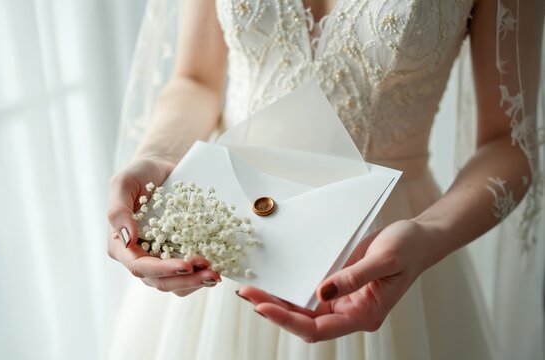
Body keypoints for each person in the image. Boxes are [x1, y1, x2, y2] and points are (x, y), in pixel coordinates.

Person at [105, 1, 544, 359]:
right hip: (224, 229)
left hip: (381, 246)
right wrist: (159, 158)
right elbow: (196, 79)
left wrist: (428, 235)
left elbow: (508, 140)